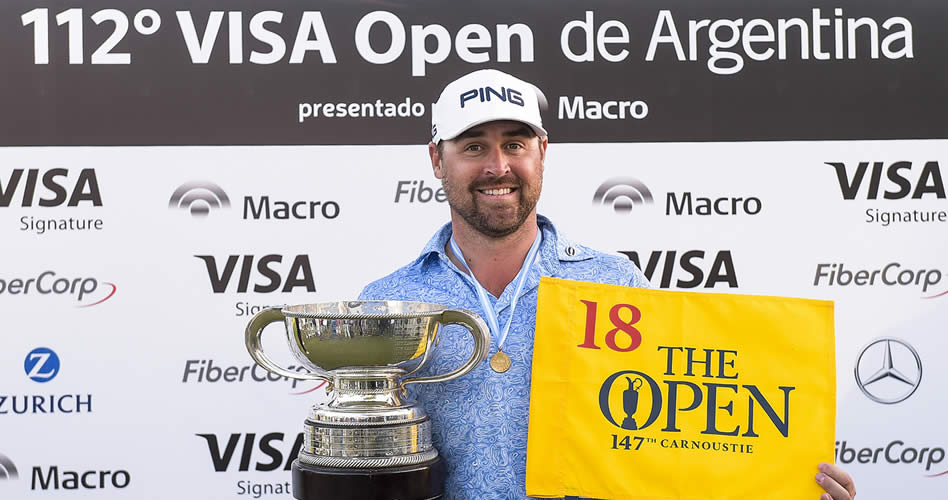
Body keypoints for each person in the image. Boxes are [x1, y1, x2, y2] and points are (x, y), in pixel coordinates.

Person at [359, 69, 856, 500]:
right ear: (436, 160)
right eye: (474, 147)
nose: (498, 166)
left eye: (515, 143)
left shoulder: (613, 282)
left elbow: (684, 441)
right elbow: (364, 465)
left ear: (543, 152)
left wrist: (786, 480)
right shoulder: (385, 305)